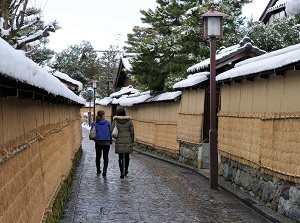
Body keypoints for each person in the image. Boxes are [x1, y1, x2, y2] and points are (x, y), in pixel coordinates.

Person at [111, 107, 134, 179]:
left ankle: (121, 172)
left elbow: (111, 130)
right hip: (127, 140)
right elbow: (132, 132)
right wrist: (132, 140)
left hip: (119, 141)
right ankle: (126, 170)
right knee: (127, 157)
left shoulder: (115, 121)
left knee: (120, 157)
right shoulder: (129, 121)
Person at [91, 110, 111, 176]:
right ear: (103, 115)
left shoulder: (95, 123)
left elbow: (92, 132)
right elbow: (110, 132)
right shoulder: (108, 123)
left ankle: (98, 170)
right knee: (105, 157)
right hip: (106, 142)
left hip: (98, 142)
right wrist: (110, 140)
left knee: (98, 156)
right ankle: (104, 171)